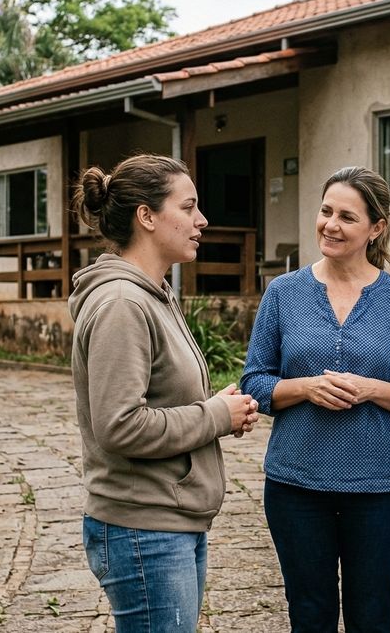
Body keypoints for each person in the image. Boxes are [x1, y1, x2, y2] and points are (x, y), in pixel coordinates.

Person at [240, 166, 390, 632]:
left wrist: (371, 389)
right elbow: (254, 382)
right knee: (310, 615)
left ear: (376, 228)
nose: (330, 224)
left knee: (372, 617)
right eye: (326, 211)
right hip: (295, 486)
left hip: (378, 489)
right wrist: (306, 387)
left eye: (347, 216)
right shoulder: (283, 293)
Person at [69, 154, 260, 632]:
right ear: (147, 216)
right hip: (143, 529)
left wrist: (220, 408)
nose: (202, 220)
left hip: (168, 522)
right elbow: (119, 425)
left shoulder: (152, 294)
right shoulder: (121, 303)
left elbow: (156, 399)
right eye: (189, 207)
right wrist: (216, 415)